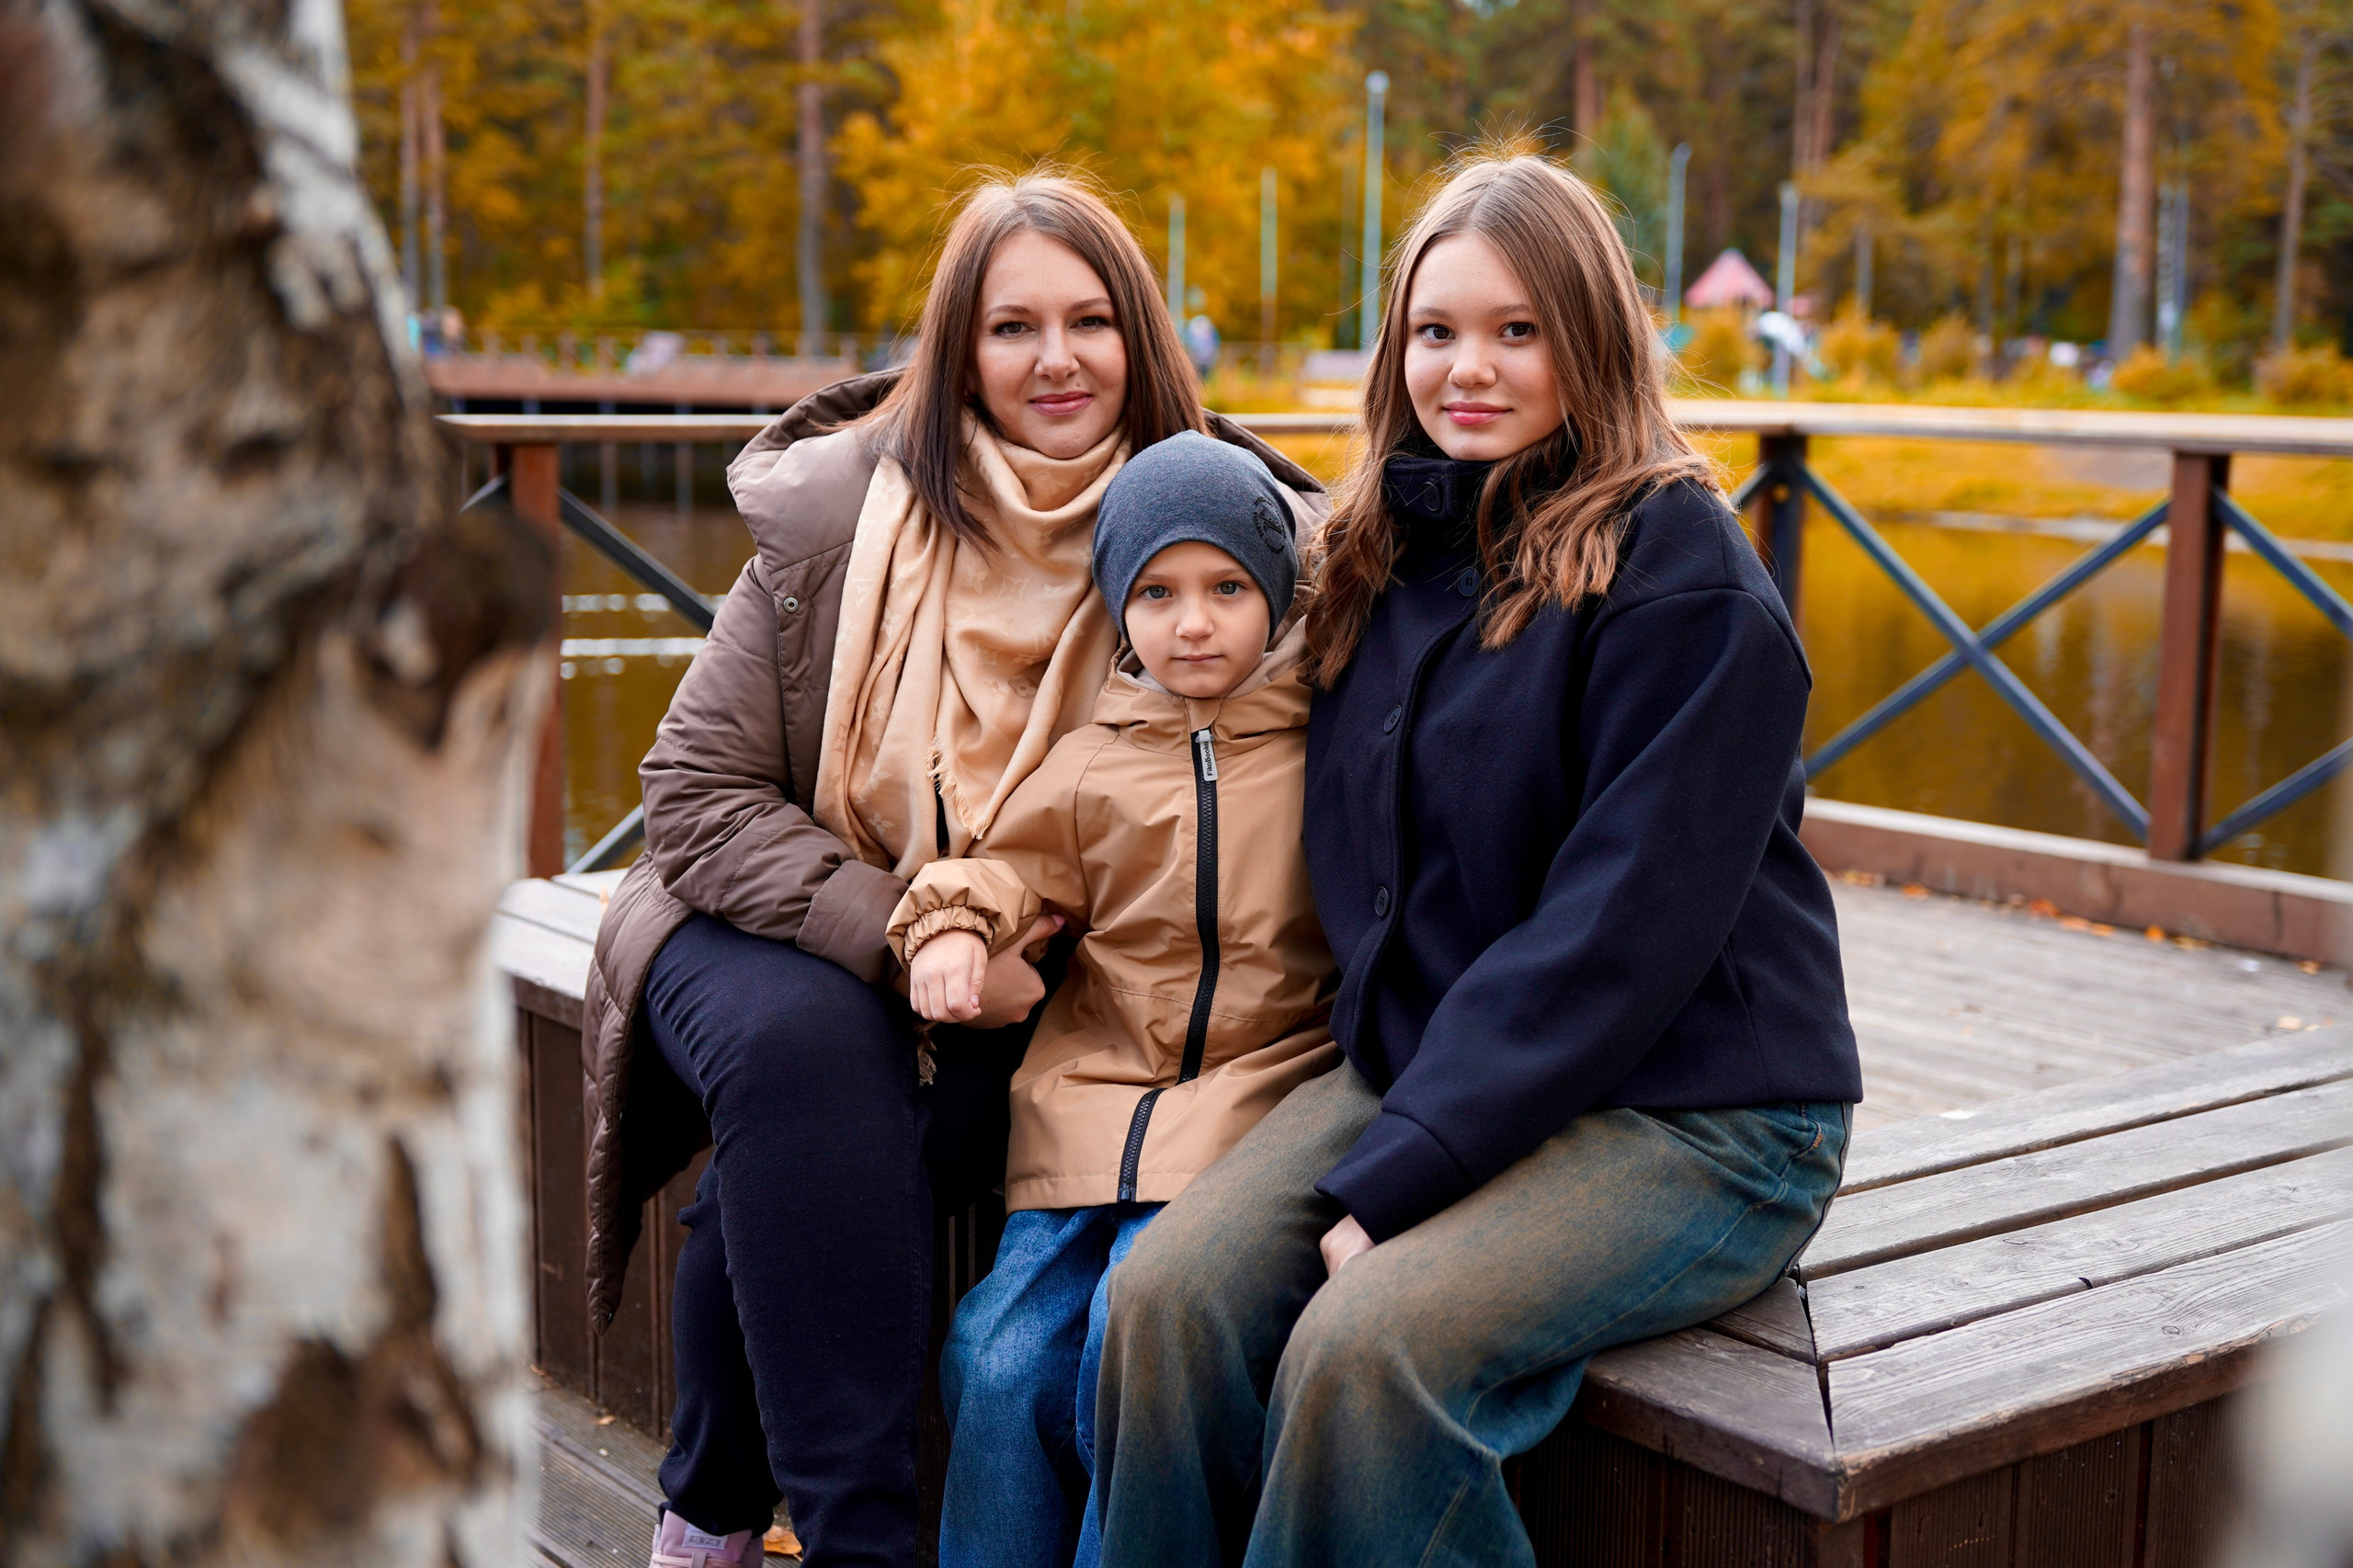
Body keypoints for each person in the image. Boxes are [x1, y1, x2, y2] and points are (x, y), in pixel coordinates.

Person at [1088, 151, 1864, 1566]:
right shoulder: (1387, 550)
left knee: (1366, 1349)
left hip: (1703, 1111)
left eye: (1520, 331)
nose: (1472, 370)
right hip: (1444, 1060)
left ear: (1594, 337)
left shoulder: (1687, 580)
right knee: (1162, 1301)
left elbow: (1618, 936)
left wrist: (1404, 1174)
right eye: (1437, 332)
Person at [573, 173, 1329, 1568]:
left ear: (1142, 339)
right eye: (1011, 326)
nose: (1055, 359)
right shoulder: (844, 517)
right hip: (761, 904)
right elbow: (692, 795)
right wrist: (898, 932)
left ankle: (710, 1509)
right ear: (956, 352)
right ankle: (862, 1541)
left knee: (811, 1147)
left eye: (1091, 321)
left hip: (1023, 958)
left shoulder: (1231, 535)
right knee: (813, 1047)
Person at [889, 432, 1339, 1568]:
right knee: (996, 1352)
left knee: (1121, 1345)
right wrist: (949, 922)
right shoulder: (1094, 760)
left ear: (1276, 593)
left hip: (1246, 1107)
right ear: (1117, 606)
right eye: (1156, 592)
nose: (1193, 622)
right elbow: (1002, 867)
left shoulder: (1325, 746)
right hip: (1084, 1108)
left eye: (1227, 587)